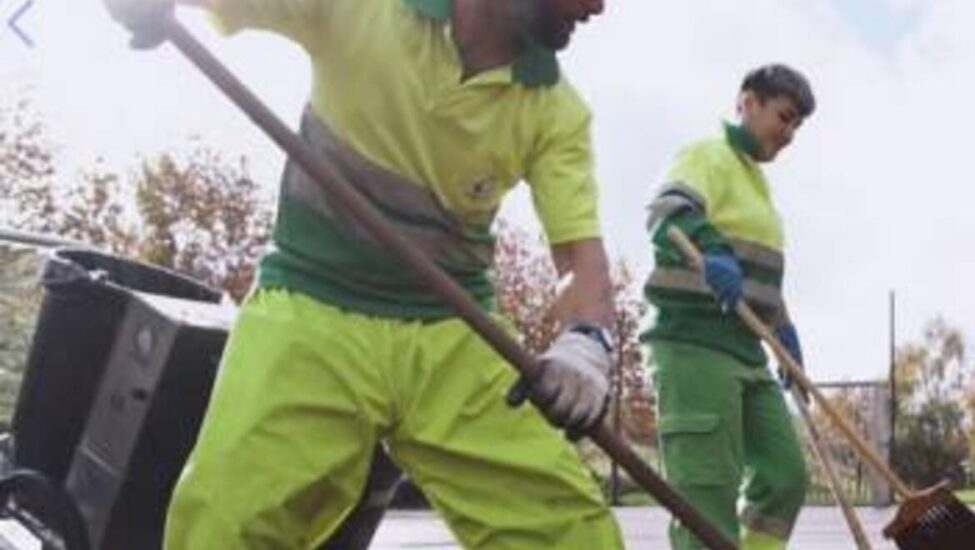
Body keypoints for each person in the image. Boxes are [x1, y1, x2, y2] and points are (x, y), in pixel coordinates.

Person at [102, 0, 626, 548]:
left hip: (453, 333)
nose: (598, 6)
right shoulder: (365, 9)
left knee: (572, 536)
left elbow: (578, 256)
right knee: (226, 527)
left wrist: (586, 343)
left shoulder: (556, 110)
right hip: (310, 311)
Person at [642, 64, 816, 550]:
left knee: (785, 478)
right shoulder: (708, 156)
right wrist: (710, 248)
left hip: (747, 350)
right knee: (706, 495)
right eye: (784, 117)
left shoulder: (760, 191)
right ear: (747, 102)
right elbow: (666, 210)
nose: (789, 134)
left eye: (797, 126)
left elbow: (756, 279)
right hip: (692, 341)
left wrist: (783, 329)